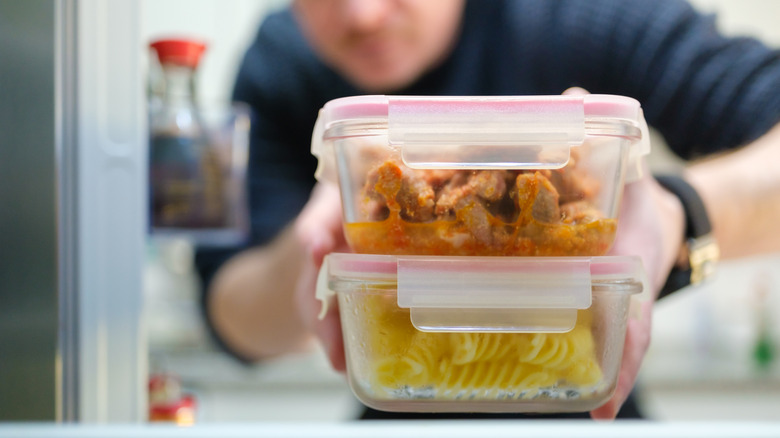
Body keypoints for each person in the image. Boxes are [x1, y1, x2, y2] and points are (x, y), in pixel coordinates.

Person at [195, 0, 780, 420]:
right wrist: (314, 251)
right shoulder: (282, 60)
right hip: (402, 395)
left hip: (588, 398)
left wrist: (679, 212)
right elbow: (229, 310)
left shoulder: (575, 14)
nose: (363, 14)